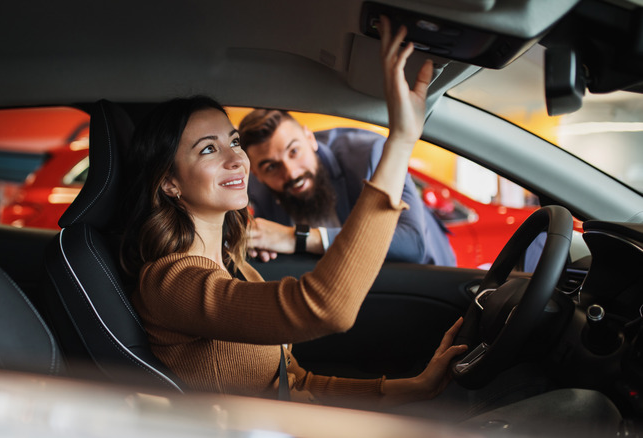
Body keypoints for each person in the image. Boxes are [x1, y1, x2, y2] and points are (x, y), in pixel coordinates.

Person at [122, 16, 467, 409]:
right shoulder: (171, 282)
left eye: (233, 142)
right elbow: (326, 309)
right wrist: (401, 141)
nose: (236, 159)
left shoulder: (234, 266)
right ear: (170, 183)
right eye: (207, 149)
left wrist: (414, 388)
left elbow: (294, 383)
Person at [239, 111, 456, 266]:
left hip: (423, 285)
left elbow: (412, 244)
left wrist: (297, 237)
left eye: (294, 151)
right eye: (271, 167)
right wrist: (257, 245)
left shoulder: (371, 155)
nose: (292, 173)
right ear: (257, 174)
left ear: (310, 138)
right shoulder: (256, 190)